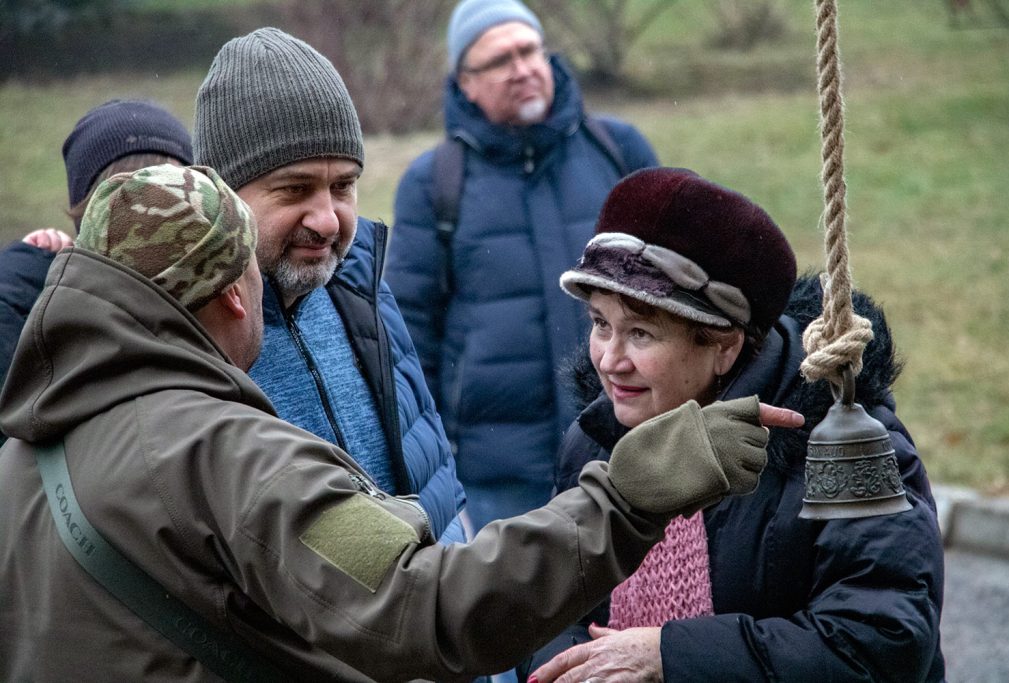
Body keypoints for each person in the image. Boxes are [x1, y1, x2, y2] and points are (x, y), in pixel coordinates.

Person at [0, 163, 802, 681]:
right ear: (236, 295)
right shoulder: (230, 455)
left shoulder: (22, 454)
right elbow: (425, 603)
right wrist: (624, 498)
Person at [523, 167, 946, 682]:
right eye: (600, 324)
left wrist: (671, 659)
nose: (609, 361)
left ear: (724, 345)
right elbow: (541, 609)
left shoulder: (846, 443)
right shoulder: (595, 438)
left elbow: (880, 644)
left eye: (641, 333)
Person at [384, 0, 660, 533]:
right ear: (465, 83)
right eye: (499, 60)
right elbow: (409, 337)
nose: (522, 68)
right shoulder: (433, 183)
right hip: (497, 474)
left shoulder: (619, 150)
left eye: (530, 50)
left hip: (623, 448)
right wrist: (428, 464)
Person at [193, 27, 466, 543]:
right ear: (223, 193)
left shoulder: (362, 286)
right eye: (295, 189)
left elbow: (437, 498)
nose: (327, 221)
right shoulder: (189, 337)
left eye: (343, 186)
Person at [0, 99, 193, 393]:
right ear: (87, 214)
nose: (148, 213)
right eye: (124, 197)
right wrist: (22, 274)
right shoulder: (49, 305)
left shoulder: (219, 288)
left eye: (171, 193)